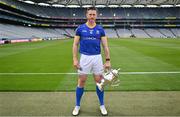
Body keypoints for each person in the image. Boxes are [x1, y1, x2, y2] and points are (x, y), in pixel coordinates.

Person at [72, 7, 111, 116]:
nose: (92, 17)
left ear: (96, 15)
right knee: (81, 81)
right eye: (90, 14)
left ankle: (102, 105)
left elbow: (105, 46)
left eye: (94, 14)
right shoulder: (80, 28)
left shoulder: (100, 29)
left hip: (97, 58)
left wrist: (107, 60)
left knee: (99, 82)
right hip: (84, 57)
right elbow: (75, 44)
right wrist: (75, 59)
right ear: (86, 15)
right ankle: (77, 105)